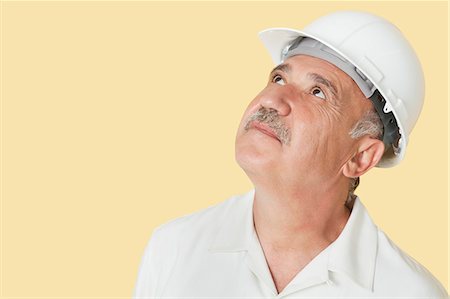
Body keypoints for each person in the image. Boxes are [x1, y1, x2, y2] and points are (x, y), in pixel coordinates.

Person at [133, 10, 448, 298]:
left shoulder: (409, 292)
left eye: (317, 92)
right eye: (279, 78)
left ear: (361, 157)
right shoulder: (174, 248)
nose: (272, 100)